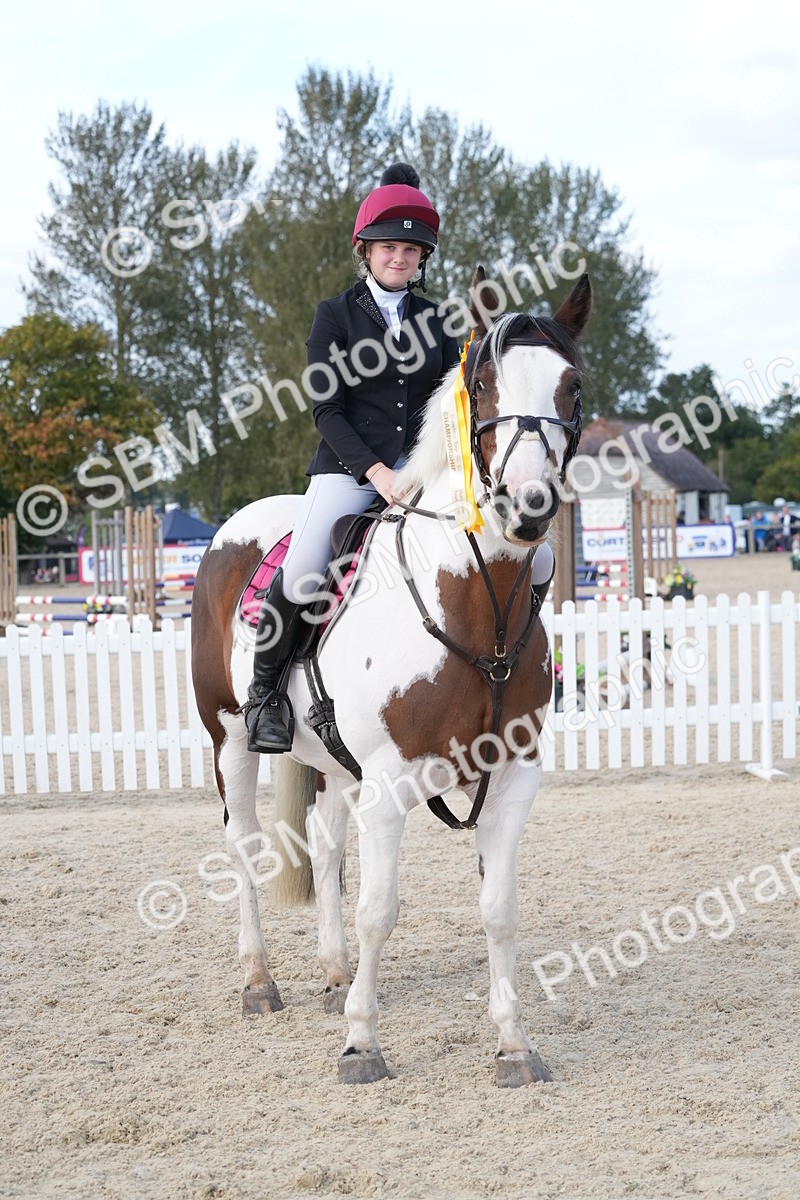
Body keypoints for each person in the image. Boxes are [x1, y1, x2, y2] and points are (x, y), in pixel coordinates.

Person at [243, 163, 461, 753]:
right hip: (348, 469)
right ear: (366, 251)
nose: (401, 258)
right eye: (389, 247)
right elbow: (326, 410)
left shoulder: (437, 321)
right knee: (306, 565)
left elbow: (448, 403)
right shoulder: (333, 316)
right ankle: (264, 698)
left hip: (420, 474)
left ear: (423, 258)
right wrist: (377, 472)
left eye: (412, 250)